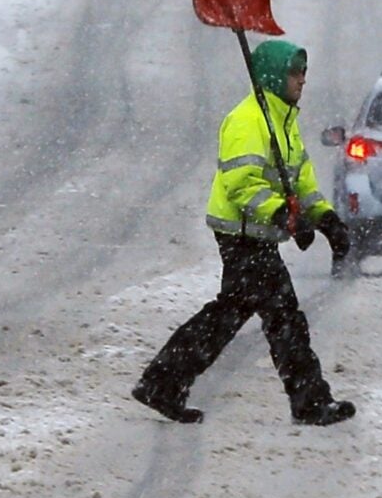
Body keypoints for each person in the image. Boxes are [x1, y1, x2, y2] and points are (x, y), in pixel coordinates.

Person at [132, 37, 356, 426]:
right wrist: (277, 215)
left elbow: (301, 179)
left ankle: (163, 383)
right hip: (240, 232)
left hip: (258, 233)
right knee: (282, 316)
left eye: (304, 71)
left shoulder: (283, 120)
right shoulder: (248, 119)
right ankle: (309, 402)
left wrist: (324, 218)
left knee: (232, 312)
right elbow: (241, 183)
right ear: (274, 75)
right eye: (294, 72)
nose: (303, 80)